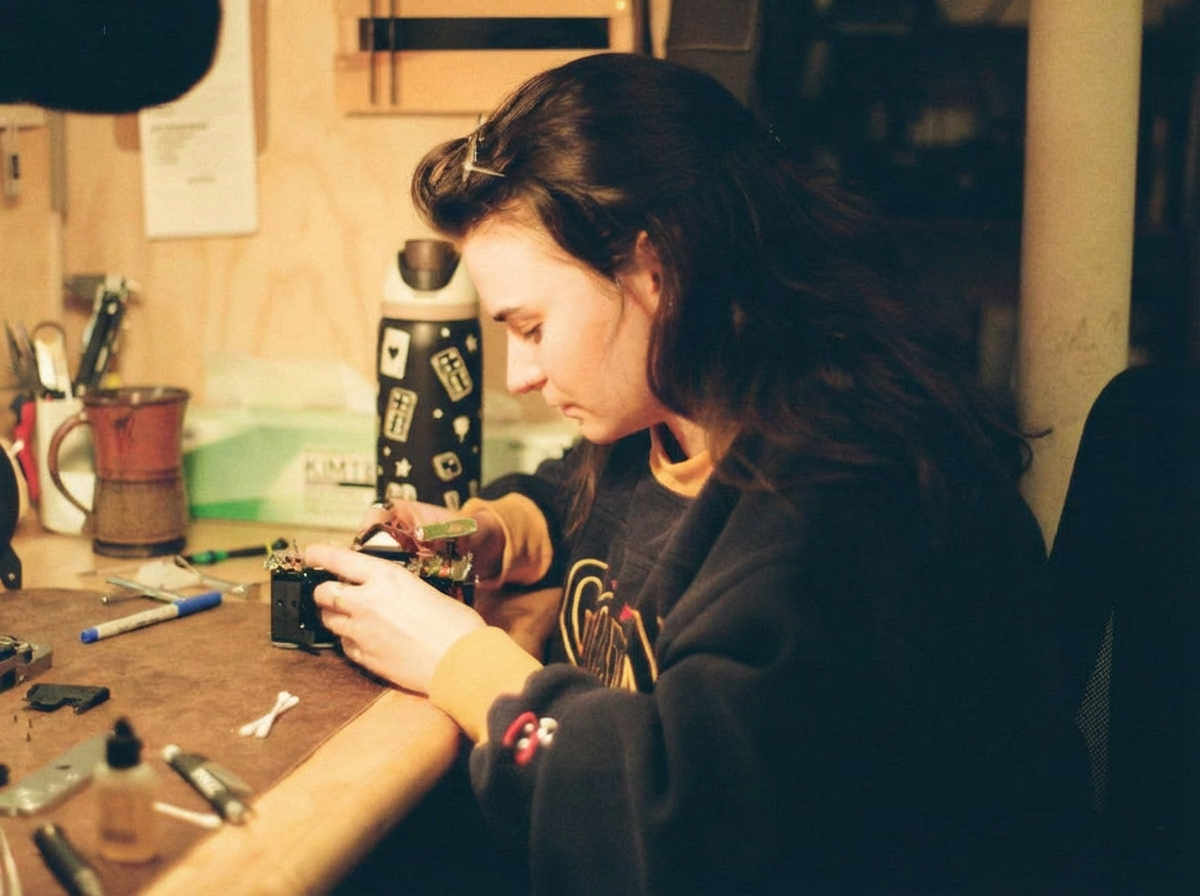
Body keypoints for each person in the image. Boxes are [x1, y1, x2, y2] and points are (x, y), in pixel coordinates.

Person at [309, 53, 1087, 895]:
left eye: (530, 327)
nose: (518, 376)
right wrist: (490, 532)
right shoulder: (682, 416)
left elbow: (674, 821)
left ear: (656, 269)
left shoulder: (841, 505)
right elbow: (579, 503)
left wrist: (457, 658)